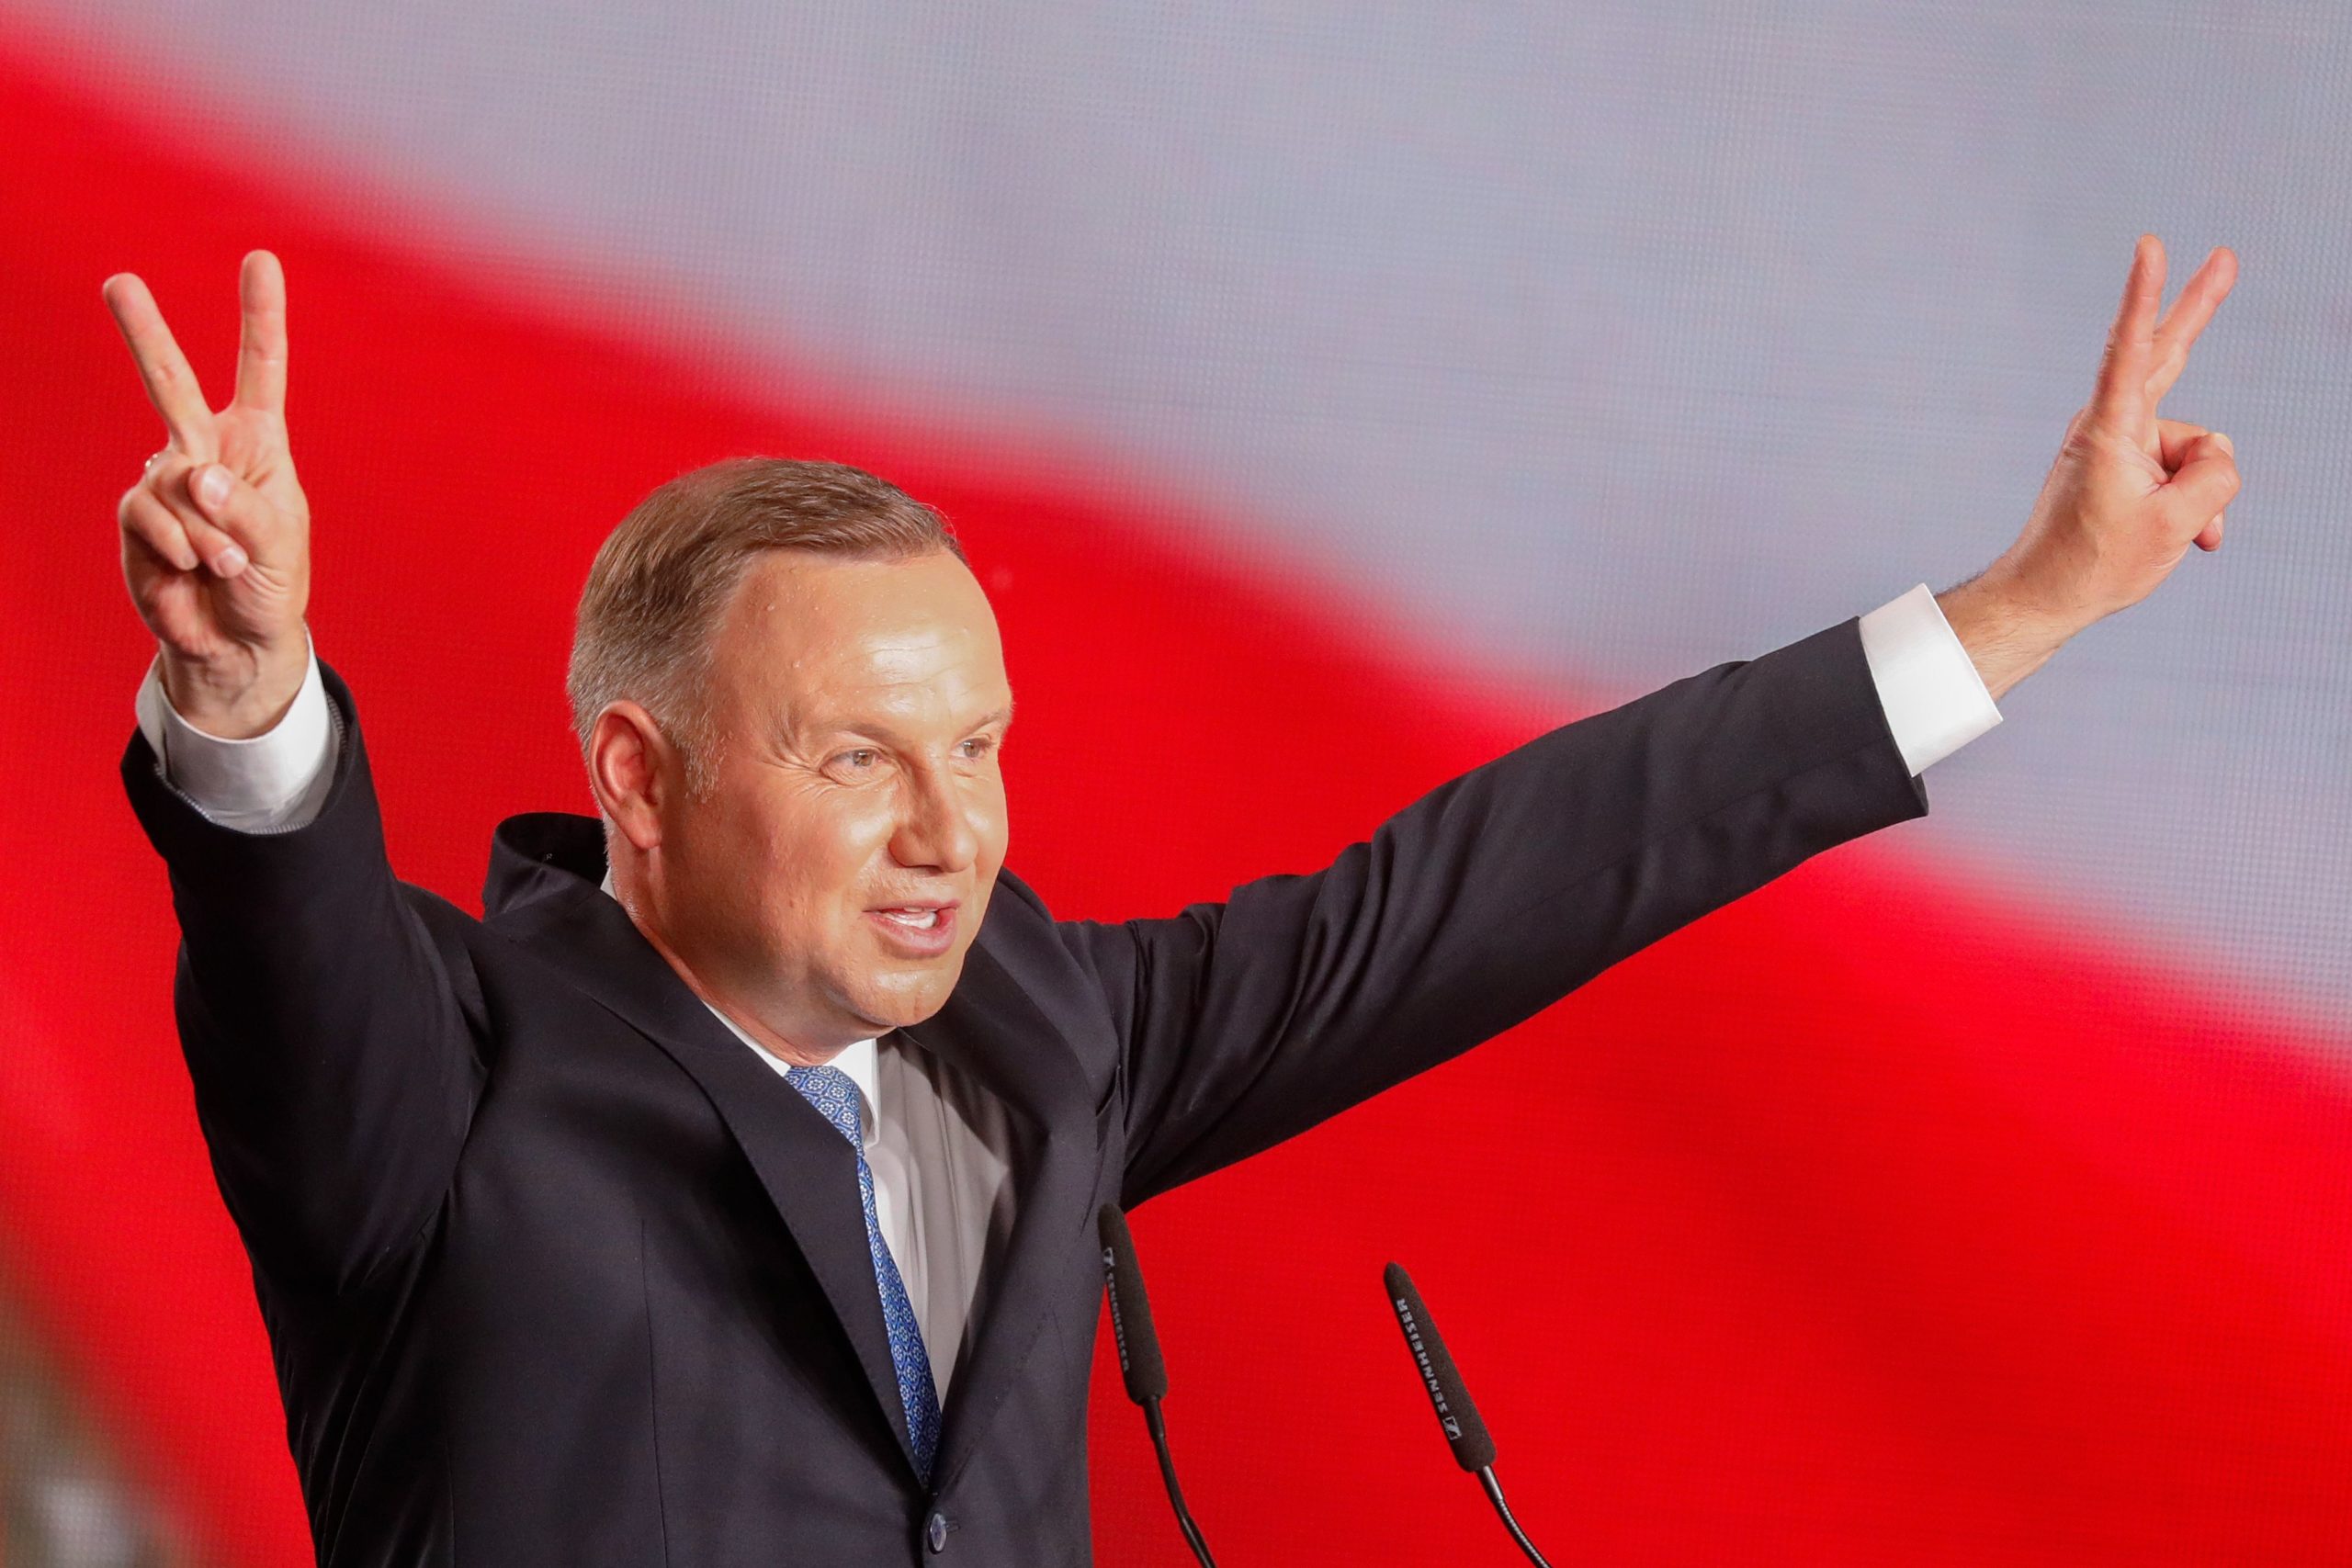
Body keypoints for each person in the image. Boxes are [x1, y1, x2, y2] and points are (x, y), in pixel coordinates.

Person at [106, 240, 2238, 1566]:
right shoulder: (447, 1081)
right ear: (637, 783)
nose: (952, 827)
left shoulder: (1044, 1033)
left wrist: (2014, 610)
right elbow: (286, 930)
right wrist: (245, 681)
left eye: (980, 746)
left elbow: (1497, 877)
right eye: (861, 754)